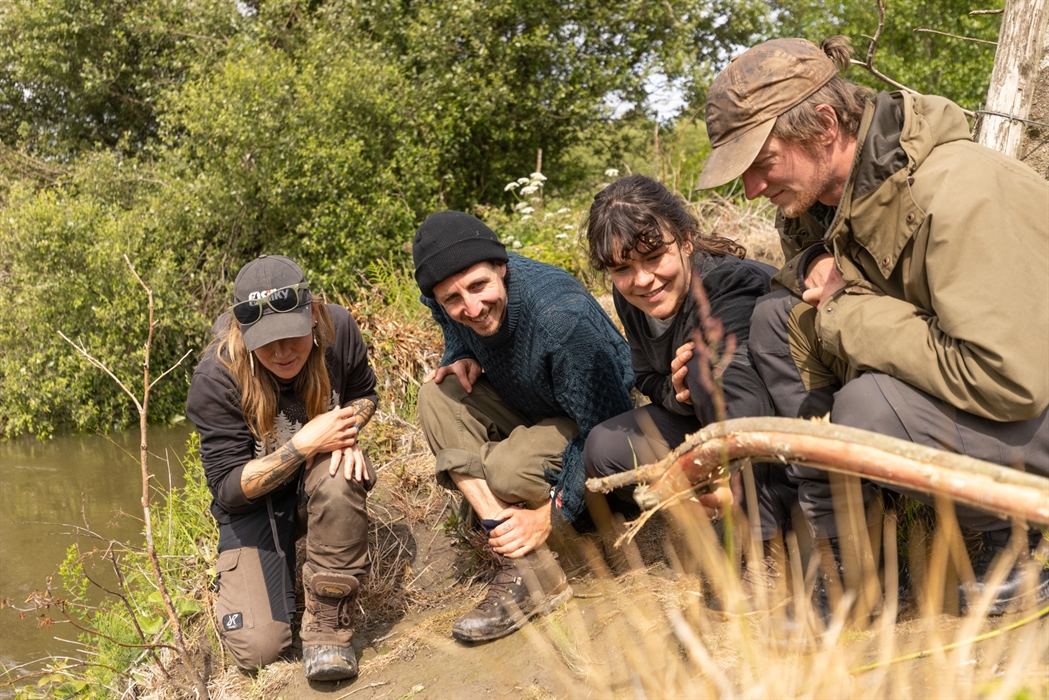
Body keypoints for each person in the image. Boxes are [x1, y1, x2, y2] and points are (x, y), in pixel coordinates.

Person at [694, 36, 1049, 614]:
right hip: (982, 397)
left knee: (867, 407)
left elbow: (1007, 378)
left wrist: (844, 307)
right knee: (775, 321)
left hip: (1031, 407)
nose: (752, 189)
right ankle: (860, 562)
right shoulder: (827, 196)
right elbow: (809, 289)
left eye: (761, 163)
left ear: (826, 125)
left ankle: (1008, 541)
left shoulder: (960, 190)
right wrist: (813, 264)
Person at [412, 210, 635, 642]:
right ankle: (526, 565)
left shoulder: (559, 316)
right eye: (452, 298)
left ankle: (562, 525)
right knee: (436, 394)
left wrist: (551, 514)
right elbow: (448, 320)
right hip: (534, 406)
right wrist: (458, 351)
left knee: (507, 469)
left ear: (502, 267)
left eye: (479, 287)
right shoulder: (446, 297)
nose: (471, 307)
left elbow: (605, 426)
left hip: (604, 423)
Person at [582, 174, 797, 584]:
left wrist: (695, 382)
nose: (642, 279)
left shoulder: (731, 285)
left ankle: (765, 539)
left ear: (685, 241)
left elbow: (744, 397)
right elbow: (646, 375)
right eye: (623, 268)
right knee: (605, 447)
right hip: (703, 421)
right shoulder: (635, 299)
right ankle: (715, 510)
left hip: (778, 432)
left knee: (706, 368)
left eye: (653, 257)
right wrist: (675, 394)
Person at [186, 255, 378, 680]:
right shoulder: (216, 377)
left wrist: (344, 432)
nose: (282, 351)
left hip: (318, 483)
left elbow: (365, 395)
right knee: (258, 650)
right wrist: (301, 445)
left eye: (291, 334)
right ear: (242, 331)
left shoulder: (339, 328)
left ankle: (328, 627)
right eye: (266, 340)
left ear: (312, 315)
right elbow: (227, 489)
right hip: (254, 508)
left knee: (337, 473)